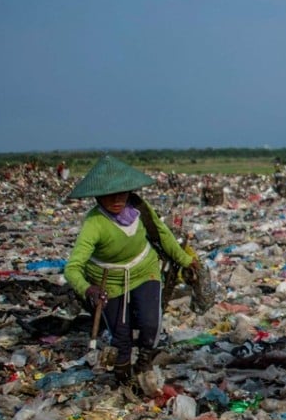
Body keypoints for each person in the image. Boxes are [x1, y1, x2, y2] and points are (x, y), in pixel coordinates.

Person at [64, 155, 198, 385]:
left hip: (144, 270)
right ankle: (123, 378)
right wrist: (88, 289)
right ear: (97, 196)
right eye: (109, 194)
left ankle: (144, 362)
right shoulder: (94, 223)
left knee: (149, 323)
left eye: (122, 193)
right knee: (121, 336)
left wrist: (186, 261)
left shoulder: (139, 208)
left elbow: (162, 234)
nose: (117, 199)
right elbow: (73, 268)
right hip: (109, 281)